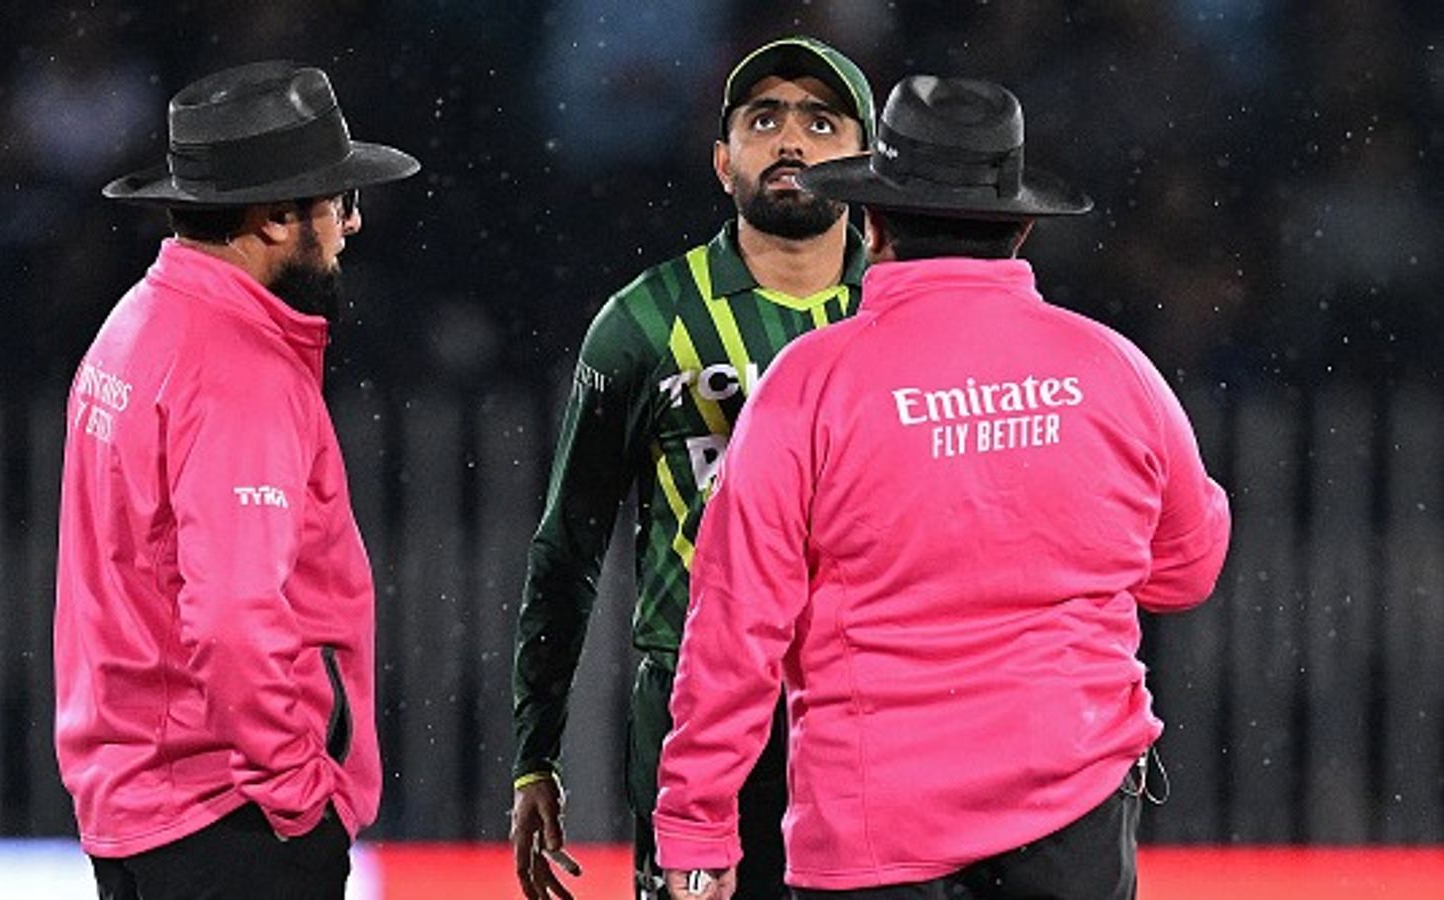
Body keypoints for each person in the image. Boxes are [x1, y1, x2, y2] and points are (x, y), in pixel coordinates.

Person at [653, 74, 1232, 900]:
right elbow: (1187, 571)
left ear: (871, 218)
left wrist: (696, 823)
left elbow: (736, 625)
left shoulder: (808, 386)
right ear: (1022, 225)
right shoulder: (1112, 369)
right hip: (1074, 821)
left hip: (875, 834)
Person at [510, 36, 877, 900]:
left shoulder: (910, 314)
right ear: (722, 161)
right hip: (697, 716)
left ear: (868, 163)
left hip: (872, 712)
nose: (790, 141)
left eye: (821, 123)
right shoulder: (642, 325)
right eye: (763, 120)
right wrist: (535, 756)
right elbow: (568, 546)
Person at [54, 60, 419, 899]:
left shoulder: (136, 324)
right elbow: (231, 616)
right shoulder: (241, 371)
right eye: (337, 204)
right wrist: (299, 796)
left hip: (141, 808)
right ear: (274, 218)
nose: (350, 227)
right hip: (231, 821)